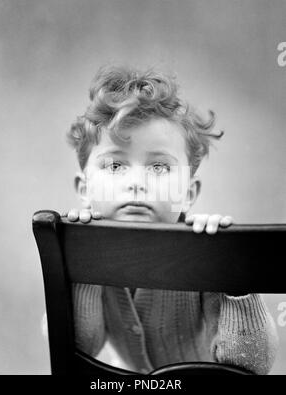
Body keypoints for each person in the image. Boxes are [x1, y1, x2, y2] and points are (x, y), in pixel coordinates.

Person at [65, 65, 278, 374]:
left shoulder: (206, 252)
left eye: (159, 167)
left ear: (189, 193)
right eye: (114, 166)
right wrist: (81, 261)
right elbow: (83, 348)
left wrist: (231, 271)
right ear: (84, 189)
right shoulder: (83, 248)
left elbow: (253, 365)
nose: (136, 182)